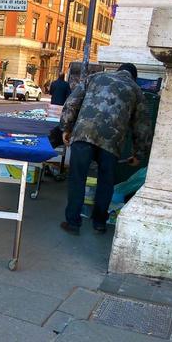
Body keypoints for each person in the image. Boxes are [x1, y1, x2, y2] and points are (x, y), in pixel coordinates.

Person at [58, 63, 152, 234]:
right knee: (105, 182)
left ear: (118, 71)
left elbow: (72, 101)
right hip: (112, 141)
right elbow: (143, 125)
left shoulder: (94, 78)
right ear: (134, 77)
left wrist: (66, 127)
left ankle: (73, 223)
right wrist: (139, 153)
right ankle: (99, 222)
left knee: (77, 178)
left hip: (84, 134)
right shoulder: (136, 90)